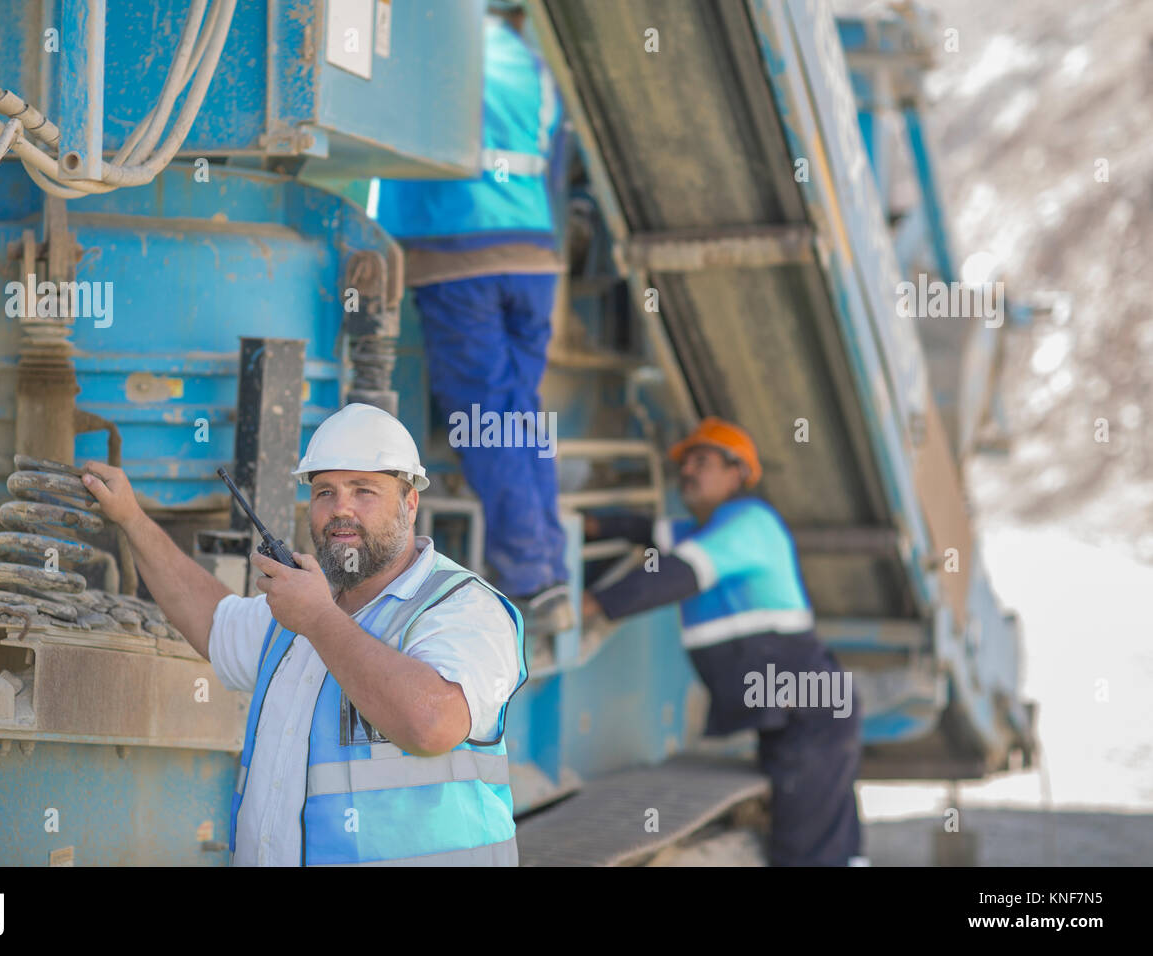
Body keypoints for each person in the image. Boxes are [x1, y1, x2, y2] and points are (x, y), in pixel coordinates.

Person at [81, 402, 526, 866]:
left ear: (409, 502)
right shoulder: (301, 610)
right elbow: (213, 621)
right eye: (325, 492)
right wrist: (132, 519)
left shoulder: (462, 608)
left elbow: (432, 725)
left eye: (364, 490)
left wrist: (317, 619)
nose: (341, 511)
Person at [581, 418, 863, 866]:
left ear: (738, 473)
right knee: (824, 834)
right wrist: (593, 525)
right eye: (685, 463)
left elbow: (678, 572)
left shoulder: (749, 522)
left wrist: (595, 603)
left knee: (807, 847)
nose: (688, 471)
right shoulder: (703, 530)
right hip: (797, 714)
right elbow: (644, 530)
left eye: (703, 461)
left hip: (812, 713)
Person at [374, 0, 572, 636]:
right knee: (516, 413)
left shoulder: (424, 40)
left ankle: (530, 578)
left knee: (488, 419)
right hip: (532, 257)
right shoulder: (533, 63)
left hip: (458, 252)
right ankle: (548, 567)